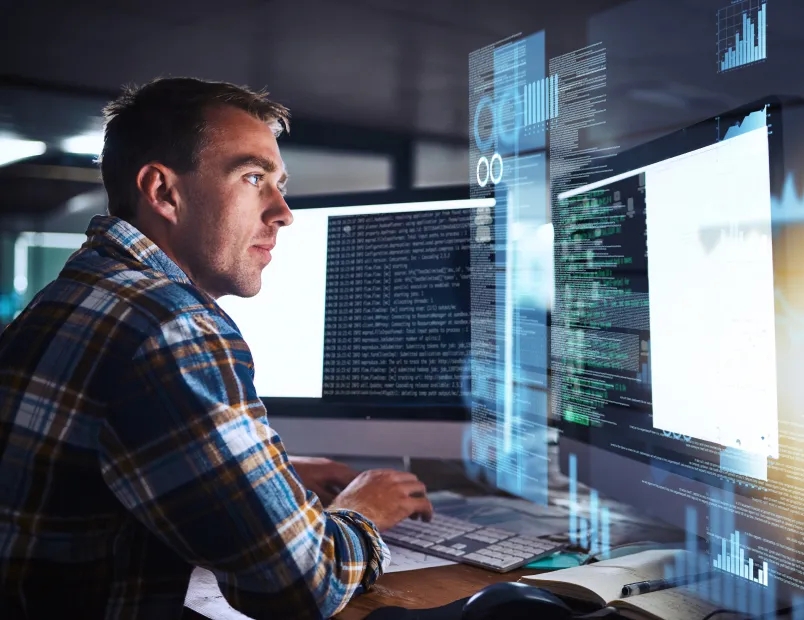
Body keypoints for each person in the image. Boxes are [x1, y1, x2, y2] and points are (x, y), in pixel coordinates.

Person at [0, 77, 434, 620]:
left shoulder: (76, 293)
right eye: (253, 177)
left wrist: (275, 472)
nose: (283, 212)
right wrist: (360, 510)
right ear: (163, 192)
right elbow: (301, 583)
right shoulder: (172, 325)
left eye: (279, 182)